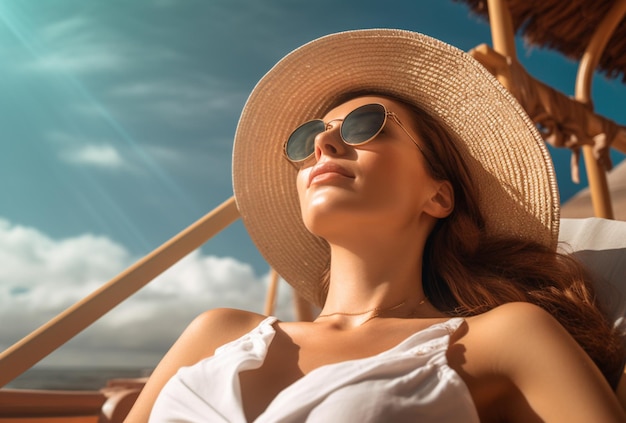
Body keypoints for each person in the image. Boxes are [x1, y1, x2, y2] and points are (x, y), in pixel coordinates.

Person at [126, 29, 626, 422]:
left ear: (439, 194)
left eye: (365, 124)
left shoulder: (504, 339)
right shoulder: (216, 332)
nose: (323, 146)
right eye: (307, 140)